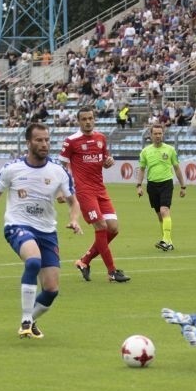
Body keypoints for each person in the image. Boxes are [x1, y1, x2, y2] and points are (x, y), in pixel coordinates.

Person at [0, 123, 83, 338]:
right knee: (33, 261)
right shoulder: (12, 169)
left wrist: (74, 219)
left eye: (47, 139)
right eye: (39, 140)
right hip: (17, 225)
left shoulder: (59, 171)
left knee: (51, 289)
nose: (44, 144)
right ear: (28, 142)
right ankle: (26, 319)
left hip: (47, 231)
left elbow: (74, 202)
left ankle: (32, 320)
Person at [59, 106, 130, 283]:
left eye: (90, 118)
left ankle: (84, 261)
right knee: (101, 226)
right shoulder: (71, 141)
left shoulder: (101, 138)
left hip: (100, 189)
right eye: (84, 119)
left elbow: (104, 159)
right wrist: (61, 190)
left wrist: (108, 162)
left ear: (94, 119)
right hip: (84, 191)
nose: (88, 122)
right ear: (78, 121)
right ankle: (112, 272)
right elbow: (61, 168)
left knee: (113, 229)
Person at [136, 124, 186, 251]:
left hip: (166, 183)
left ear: (163, 134)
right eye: (155, 134)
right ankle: (168, 241)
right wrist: (138, 185)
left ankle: (165, 241)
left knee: (164, 211)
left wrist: (183, 186)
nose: (158, 136)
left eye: (160, 133)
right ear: (151, 135)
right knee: (160, 215)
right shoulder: (145, 152)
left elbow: (177, 168)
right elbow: (141, 169)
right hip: (152, 185)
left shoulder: (170, 150)